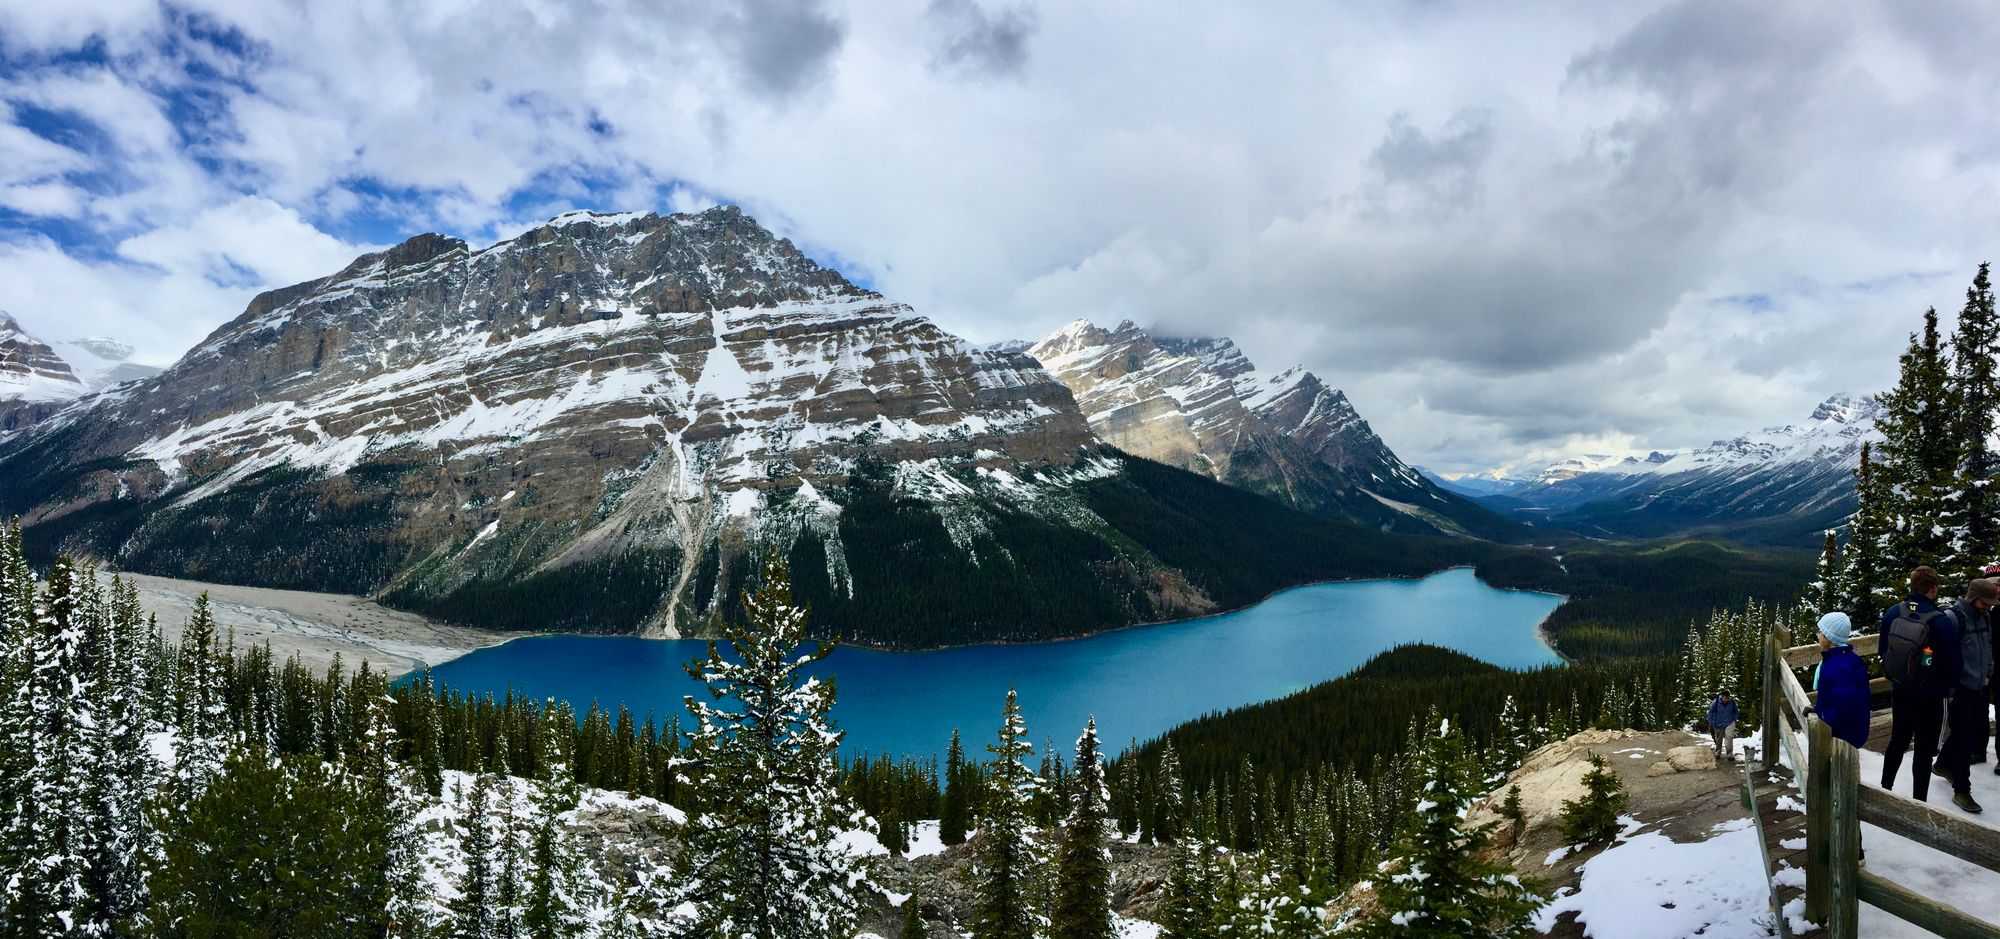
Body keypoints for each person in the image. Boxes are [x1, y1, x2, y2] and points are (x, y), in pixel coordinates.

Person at [1882, 566, 1954, 801]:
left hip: (1901, 688)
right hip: (1930, 695)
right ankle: (1919, 802)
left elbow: (1884, 650)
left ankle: (1885, 788)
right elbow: (1952, 662)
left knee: (1897, 740)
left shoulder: (1894, 612)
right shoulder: (1941, 621)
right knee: (1923, 751)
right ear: (1933, 589)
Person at [1934, 578, 1997, 814]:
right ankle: (1962, 789)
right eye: (1985, 602)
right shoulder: (1953, 619)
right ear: (1973, 598)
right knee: (1963, 740)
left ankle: (1942, 765)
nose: (1989, 606)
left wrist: (1988, 671)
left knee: (1968, 733)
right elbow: (1943, 657)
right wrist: (1950, 689)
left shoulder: (1985, 616)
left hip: (1980, 686)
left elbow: (1987, 645)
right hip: (1959, 690)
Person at [1811, 611, 1871, 750]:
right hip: (1847, 733)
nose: (1818, 635)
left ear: (1828, 637)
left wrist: (1822, 719)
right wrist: (1818, 710)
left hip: (1841, 739)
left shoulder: (1837, 667)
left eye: (1820, 632)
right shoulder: (1849, 659)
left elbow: (1841, 707)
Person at [1706, 689, 1740, 763]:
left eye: (1728, 698)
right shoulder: (1716, 702)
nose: (1726, 699)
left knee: (1729, 738)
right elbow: (1710, 713)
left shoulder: (1732, 702)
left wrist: (1734, 719)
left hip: (1729, 722)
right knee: (1719, 739)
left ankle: (1729, 753)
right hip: (1718, 723)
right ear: (1722, 696)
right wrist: (1712, 722)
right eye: (1725, 697)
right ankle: (1718, 752)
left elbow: (1736, 711)